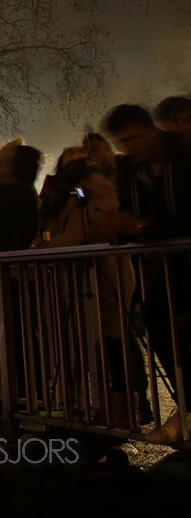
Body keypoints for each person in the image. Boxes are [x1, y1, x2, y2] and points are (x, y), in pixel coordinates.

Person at [102, 103, 191, 443]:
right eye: (123, 141)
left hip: (180, 255)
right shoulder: (130, 168)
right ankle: (187, 407)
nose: (130, 147)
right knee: (157, 317)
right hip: (171, 265)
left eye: (134, 138)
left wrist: (139, 226)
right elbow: (131, 212)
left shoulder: (184, 153)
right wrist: (118, 228)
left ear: (152, 129)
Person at [38, 143, 139, 427]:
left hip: (103, 273)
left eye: (79, 155)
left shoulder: (92, 184)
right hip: (75, 274)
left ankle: (121, 408)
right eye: (68, 154)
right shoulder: (63, 191)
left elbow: (89, 225)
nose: (73, 156)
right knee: (79, 341)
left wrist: (49, 248)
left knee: (112, 339)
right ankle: (78, 406)